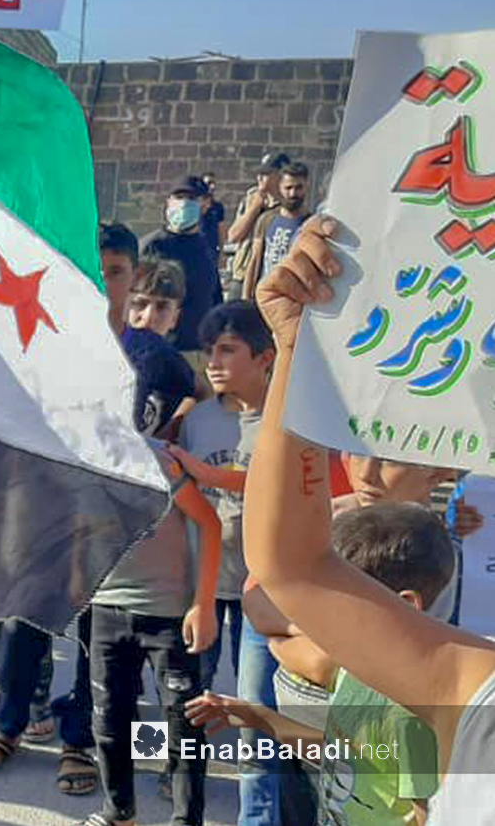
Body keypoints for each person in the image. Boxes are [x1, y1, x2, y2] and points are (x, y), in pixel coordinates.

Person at [246, 214, 495, 825]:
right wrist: (298, 352)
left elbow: (291, 571)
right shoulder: (480, 695)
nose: (366, 467)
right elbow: (289, 567)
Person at [189, 503, 451, 825]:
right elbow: (339, 756)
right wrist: (257, 717)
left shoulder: (411, 715)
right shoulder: (352, 669)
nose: (318, 611)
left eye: (336, 597)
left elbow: (431, 816)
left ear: (404, 603)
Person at [79, 442, 222, 826]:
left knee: (182, 726)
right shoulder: (70, 451)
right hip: (106, 609)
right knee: (110, 721)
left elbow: (210, 522)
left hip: (168, 614)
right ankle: (119, 812)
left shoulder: (154, 458)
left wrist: (203, 603)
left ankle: (185, 818)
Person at [168, 301, 275, 691]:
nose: (213, 361)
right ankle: (180, 753)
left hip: (263, 583)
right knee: (187, 690)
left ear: (265, 357)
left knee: (257, 699)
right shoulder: (198, 420)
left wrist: (206, 473)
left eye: (227, 349)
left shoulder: (283, 423)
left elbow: (281, 485)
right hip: (204, 581)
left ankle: (260, 751)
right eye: (209, 349)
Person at [142, 176, 224, 367]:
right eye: (179, 197)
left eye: (192, 199)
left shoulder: (205, 249)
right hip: (158, 349)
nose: (184, 203)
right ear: (168, 202)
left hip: (197, 352)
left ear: (205, 205)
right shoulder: (152, 246)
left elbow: (214, 297)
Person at [122, 258, 206, 438]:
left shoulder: (172, 362)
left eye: (162, 307)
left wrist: (169, 433)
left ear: (175, 317)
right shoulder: (109, 348)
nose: (149, 316)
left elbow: (202, 392)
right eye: (140, 303)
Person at [243, 162, 312, 300]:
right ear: (280, 187)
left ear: (306, 187)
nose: (293, 193)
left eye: (298, 188)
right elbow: (255, 260)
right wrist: (246, 297)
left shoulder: (310, 223)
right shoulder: (267, 220)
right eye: (288, 188)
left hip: (294, 299)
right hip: (265, 297)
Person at [226, 153, 290, 300]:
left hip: (269, 279)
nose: (259, 178)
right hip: (242, 275)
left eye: (266, 174)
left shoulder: (288, 206)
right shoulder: (251, 198)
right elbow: (234, 236)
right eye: (259, 173)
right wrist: (255, 207)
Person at [99, 223, 139, 338]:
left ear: (135, 277)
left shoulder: (152, 352)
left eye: (115, 272)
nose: (104, 282)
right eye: (96, 272)